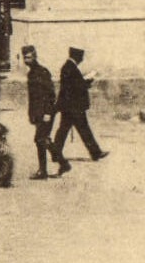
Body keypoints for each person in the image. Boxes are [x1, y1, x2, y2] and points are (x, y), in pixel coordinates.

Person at [52, 46, 108, 164]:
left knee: (65, 129)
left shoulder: (68, 67)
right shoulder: (70, 68)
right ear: (76, 56)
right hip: (74, 106)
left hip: (70, 106)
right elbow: (76, 87)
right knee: (81, 129)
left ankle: (56, 153)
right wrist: (88, 80)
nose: (82, 59)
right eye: (81, 56)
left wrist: (84, 82)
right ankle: (96, 153)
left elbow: (72, 86)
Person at [22, 46, 67, 179]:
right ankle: (59, 165)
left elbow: (51, 94)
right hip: (38, 113)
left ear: (35, 57)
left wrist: (48, 113)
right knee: (43, 140)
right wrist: (32, 115)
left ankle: (48, 169)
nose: (26, 60)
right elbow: (32, 98)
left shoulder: (42, 72)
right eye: (24, 57)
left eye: (29, 57)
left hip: (46, 113)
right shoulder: (31, 73)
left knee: (40, 139)